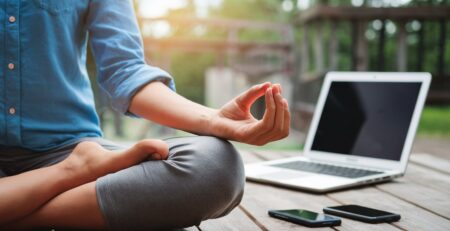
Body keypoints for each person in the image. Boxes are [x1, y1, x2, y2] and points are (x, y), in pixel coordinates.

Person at [0, 0, 290, 230]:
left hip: (70, 149)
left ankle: (20, 208)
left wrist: (212, 120)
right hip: (73, 170)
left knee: (215, 166)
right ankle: (58, 188)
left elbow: (124, 71)